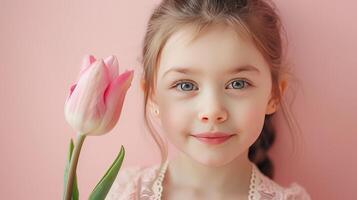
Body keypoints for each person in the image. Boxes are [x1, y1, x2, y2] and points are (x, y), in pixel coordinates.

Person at [106, 0, 311, 199]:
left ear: (274, 94)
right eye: (185, 85)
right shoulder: (125, 193)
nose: (212, 111)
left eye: (238, 83)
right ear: (153, 97)